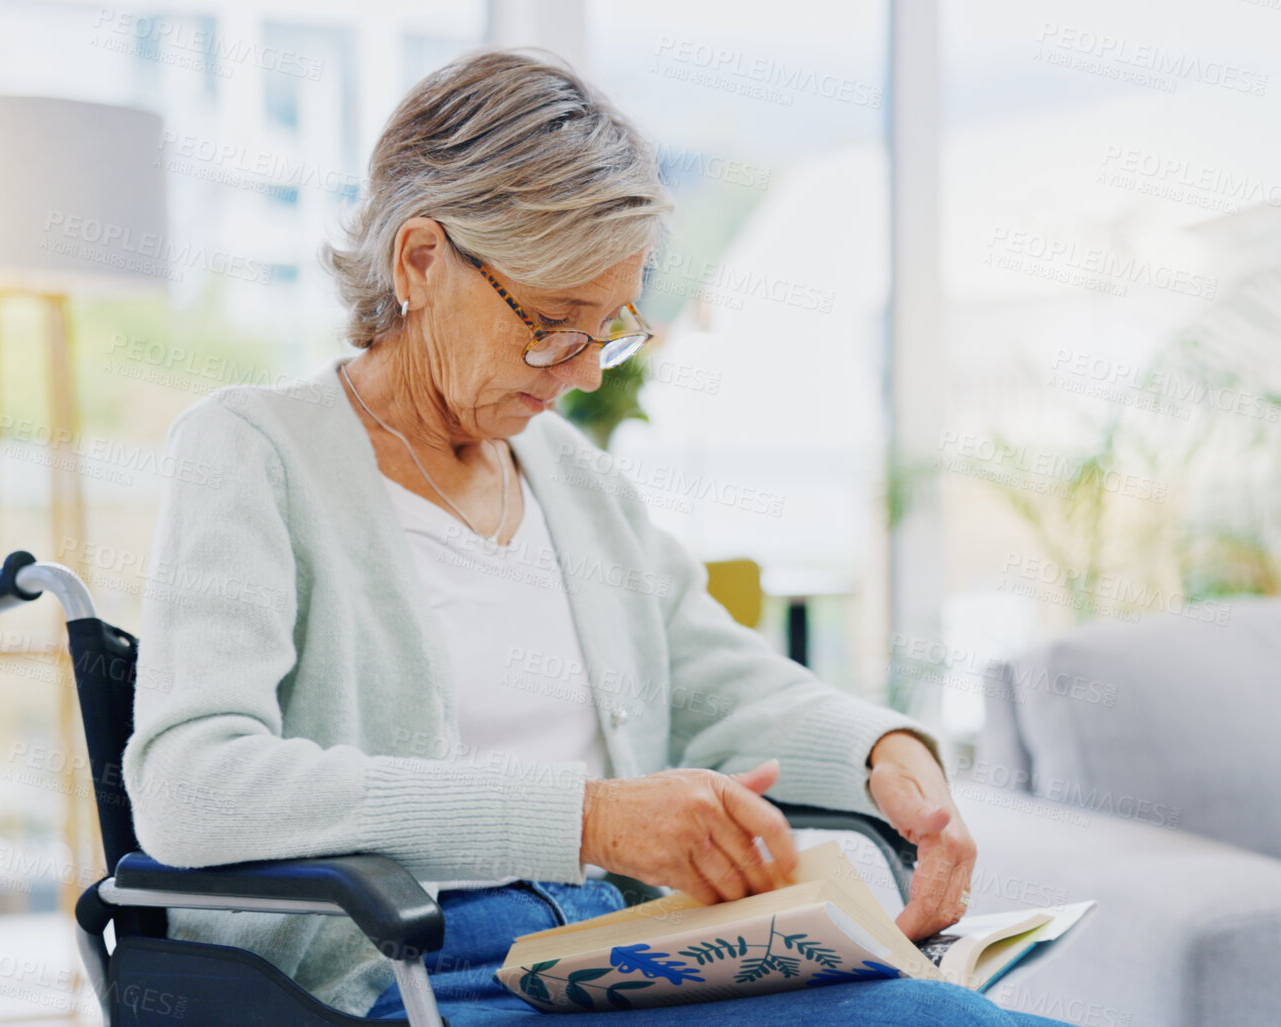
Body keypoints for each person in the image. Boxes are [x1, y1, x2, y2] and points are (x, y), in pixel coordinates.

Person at [124, 45, 1072, 1026]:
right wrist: (590, 819)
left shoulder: (576, 483)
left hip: (624, 949)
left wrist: (887, 755)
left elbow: (723, 684)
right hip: (412, 975)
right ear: (419, 260)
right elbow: (194, 785)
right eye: (555, 324)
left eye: (608, 331)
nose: (581, 373)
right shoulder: (256, 452)